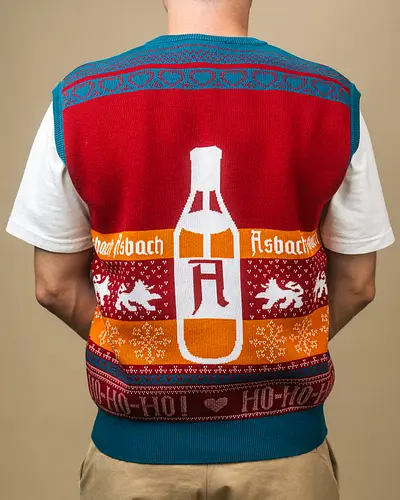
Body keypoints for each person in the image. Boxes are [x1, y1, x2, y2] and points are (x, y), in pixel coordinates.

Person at [6, 0, 394, 498]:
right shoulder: (332, 100)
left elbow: (54, 287)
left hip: (133, 458)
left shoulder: (78, 100)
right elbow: (358, 285)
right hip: (286, 456)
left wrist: (140, 352)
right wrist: (274, 349)